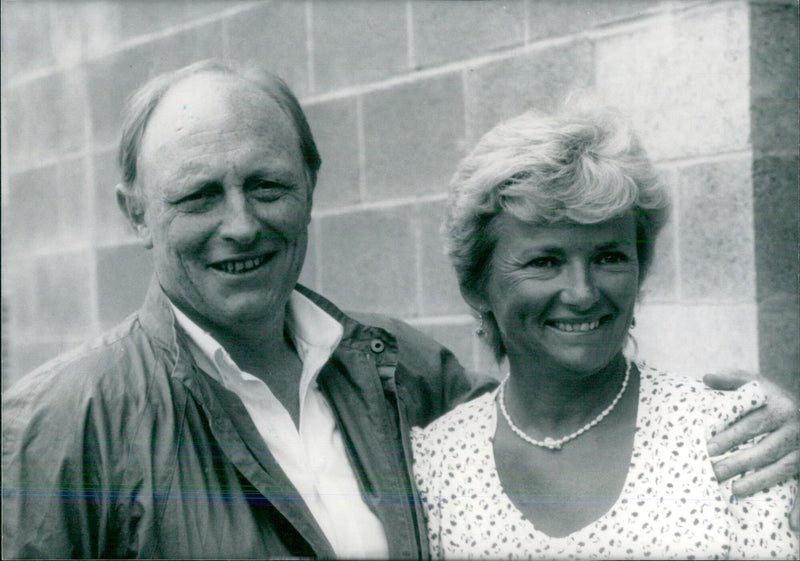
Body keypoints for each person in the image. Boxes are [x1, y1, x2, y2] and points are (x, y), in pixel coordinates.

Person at [1, 61, 797, 559]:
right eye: (200, 194)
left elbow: (550, 410)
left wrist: (773, 420)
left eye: (268, 185)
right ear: (135, 212)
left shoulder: (393, 372)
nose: (240, 223)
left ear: (311, 187)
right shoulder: (56, 428)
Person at [412, 104, 799, 559]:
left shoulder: (738, 435)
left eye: (609, 257)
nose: (582, 293)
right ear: (476, 287)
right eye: (545, 261)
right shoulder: (434, 465)